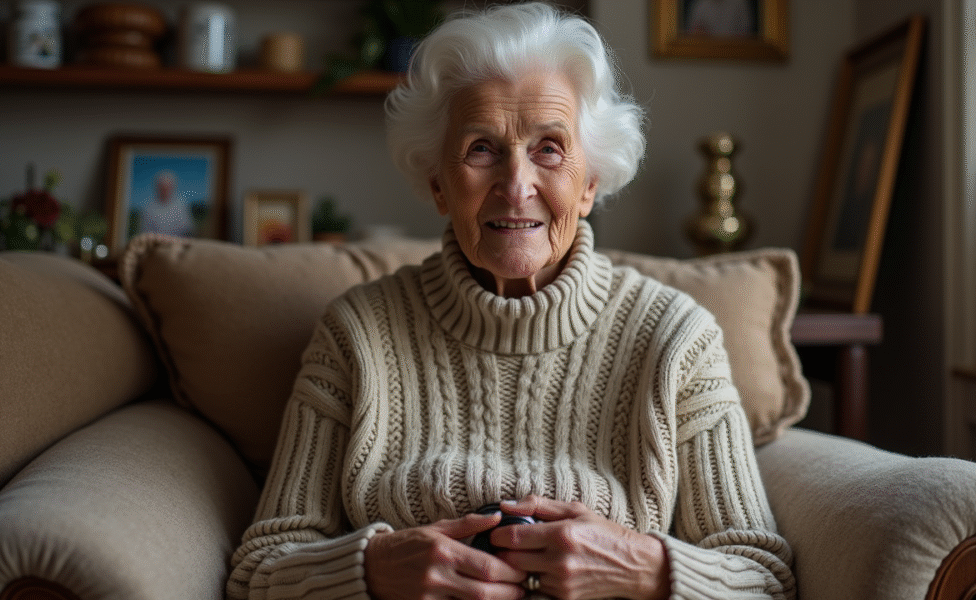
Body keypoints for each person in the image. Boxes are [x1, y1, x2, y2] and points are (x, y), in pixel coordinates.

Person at [227, 3, 795, 599]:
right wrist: (370, 571)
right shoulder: (358, 333)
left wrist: (646, 569)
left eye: (549, 148)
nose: (516, 185)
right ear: (438, 183)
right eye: (481, 148)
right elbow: (260, 570)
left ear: (590, 183)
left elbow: (762, 580)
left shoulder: (677, 337)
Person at [138, 169, 195, 237]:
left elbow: (187, 229)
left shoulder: (181, 206)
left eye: (168, 187)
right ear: (157, 188)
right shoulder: (148, 208)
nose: (165, 191)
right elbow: (145, 232)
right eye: (162, 188)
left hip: (177, 244)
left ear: (173, 188)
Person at [684, 0, 755, 38]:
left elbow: (747, 33)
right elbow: (691, 33)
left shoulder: (739, 3)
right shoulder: (700, 4)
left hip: (736, 55)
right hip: (707, 53)